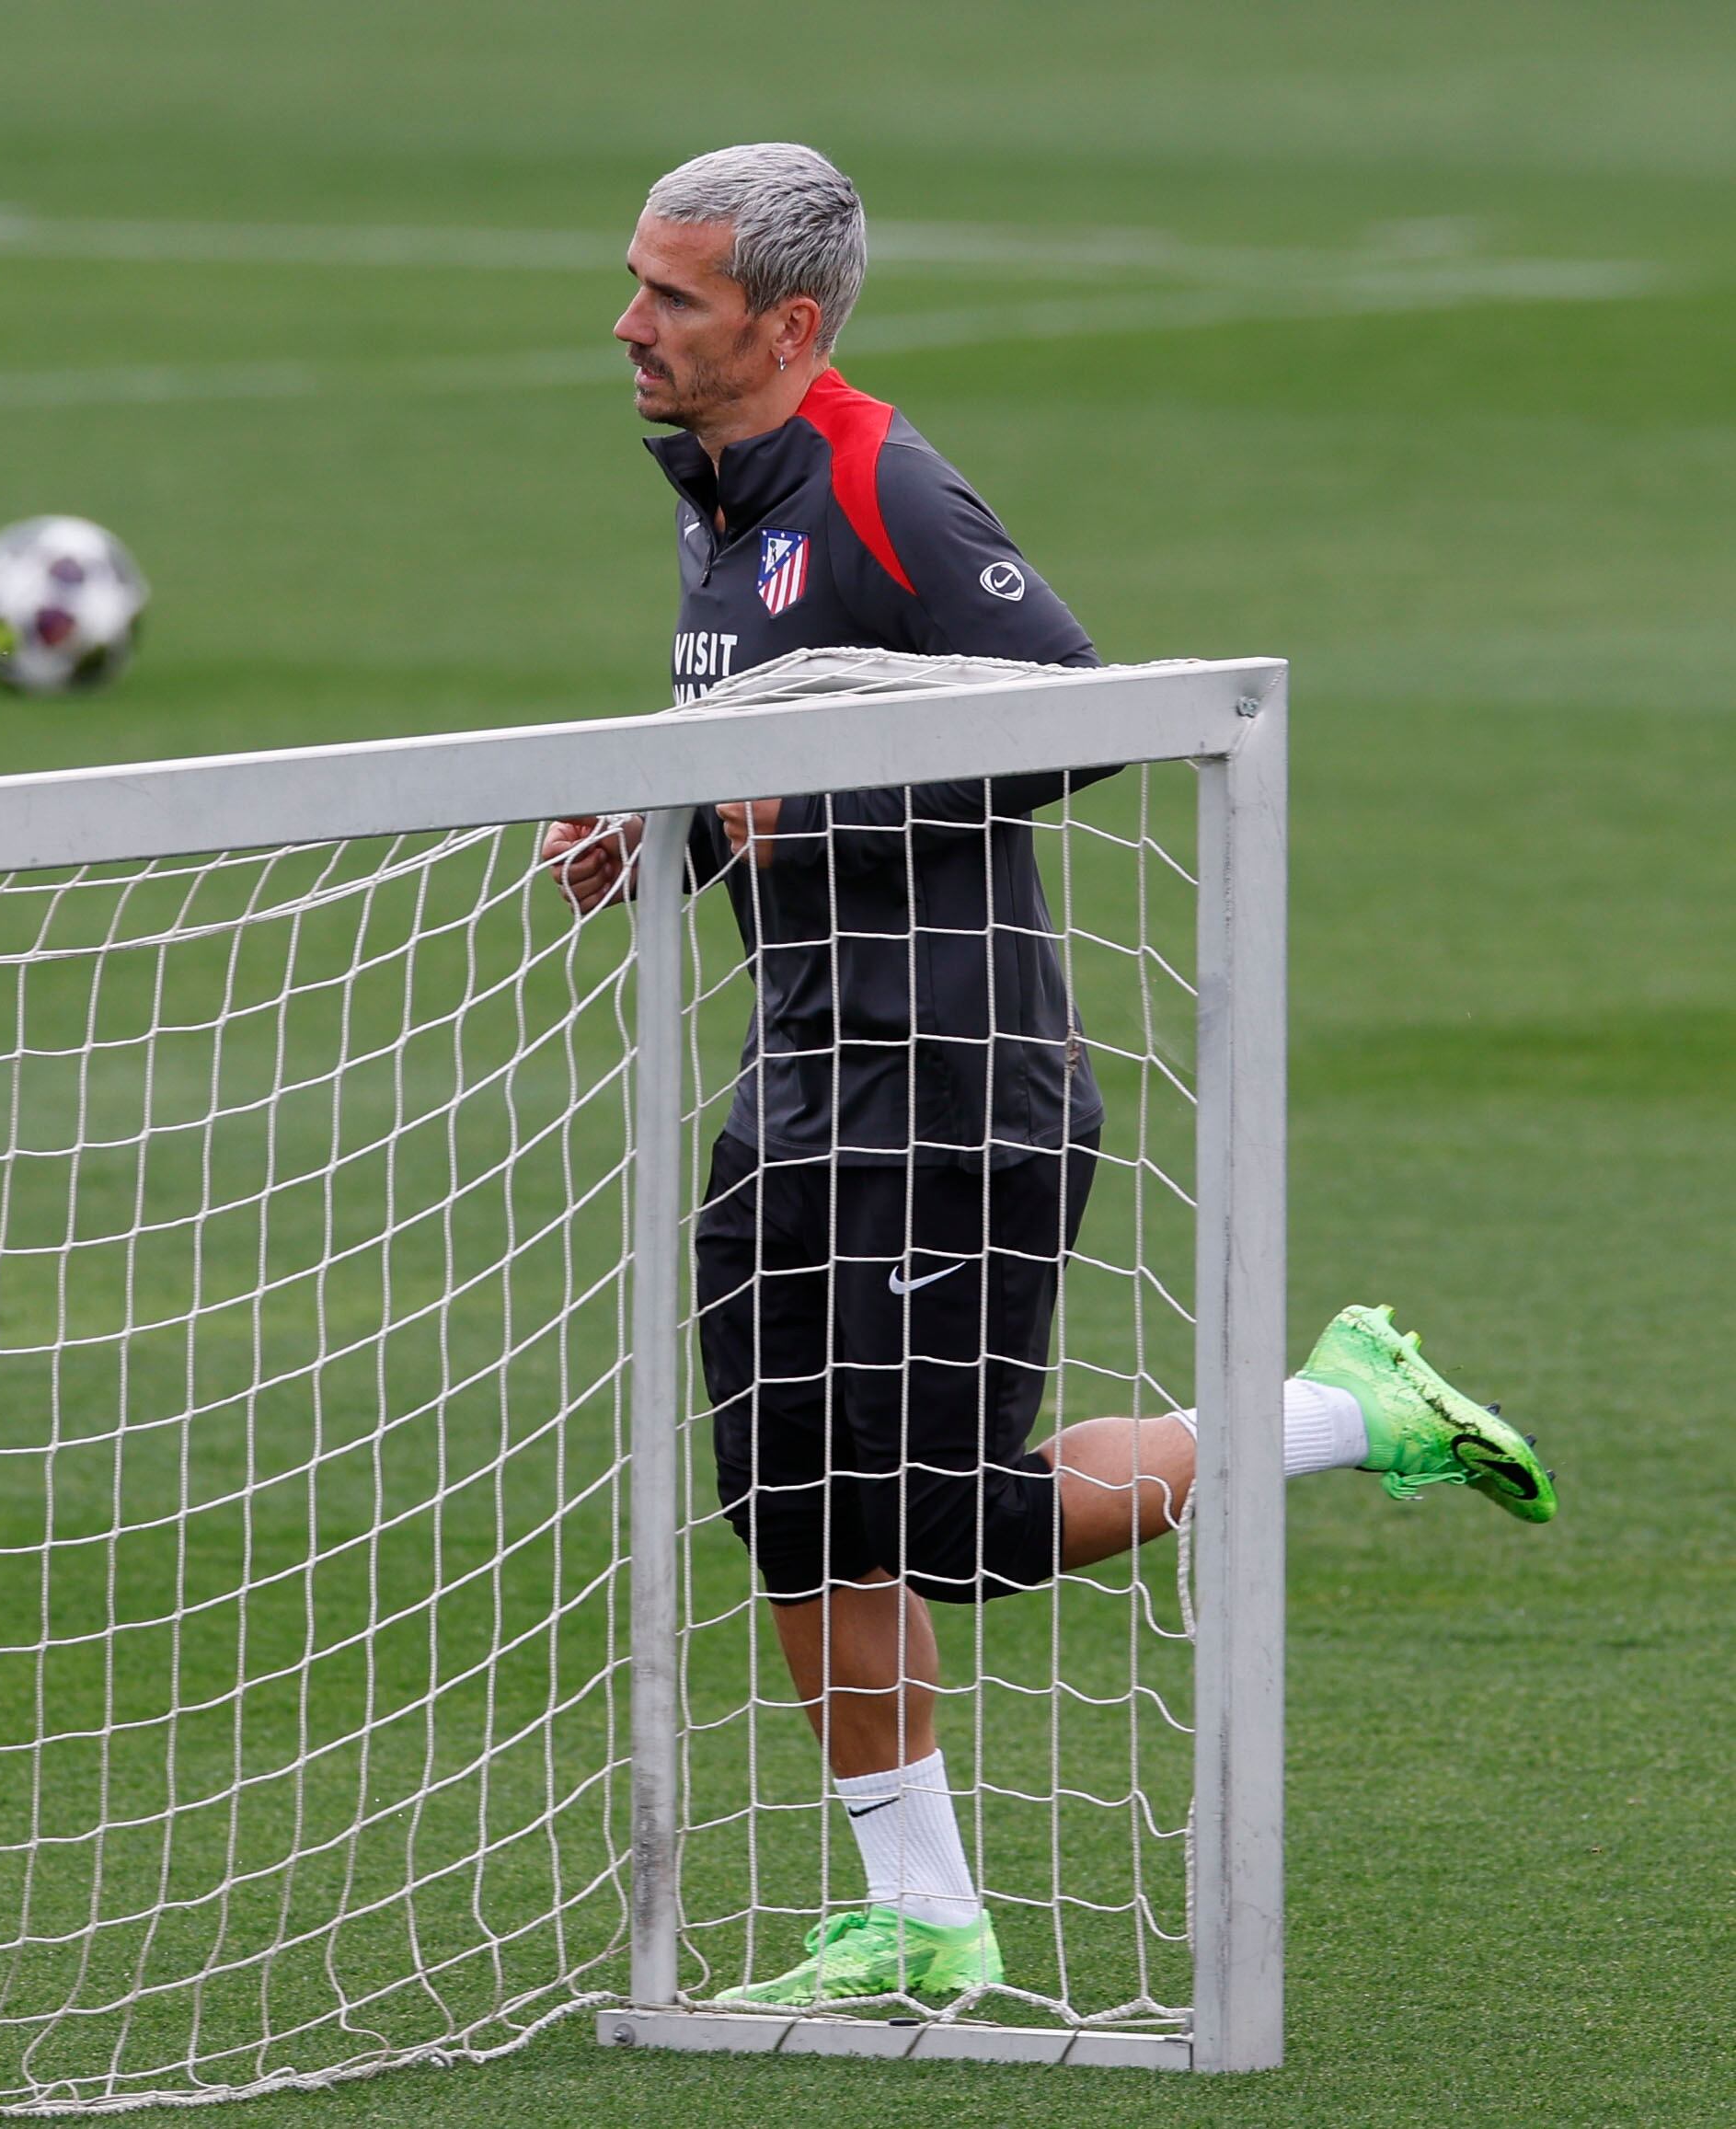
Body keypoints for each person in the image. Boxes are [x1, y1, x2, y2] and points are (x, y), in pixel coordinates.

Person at [539, 142, 1555, 2013]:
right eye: (636, 282)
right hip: (799, 1074)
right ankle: (919, 1910)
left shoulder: (880, 480)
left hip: (957, 1086)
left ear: (789, 323)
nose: (630, 323)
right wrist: (653, 834)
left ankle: (1337, 1406)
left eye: (672, 296)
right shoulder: (718, 499)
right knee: (785, 1496)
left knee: (940, 1519)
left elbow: (1079, 711)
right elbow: (751, 770)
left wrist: (811, 811)